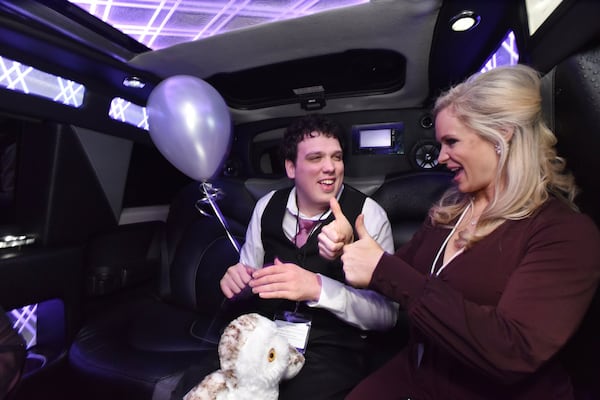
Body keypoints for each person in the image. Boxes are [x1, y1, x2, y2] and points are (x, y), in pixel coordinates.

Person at [329, 65, 600, 399]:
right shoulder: (450, 212)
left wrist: (382, 269)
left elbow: (513, 351)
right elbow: (398, 275)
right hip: (422, 372)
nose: (441, 158)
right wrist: (351, 248)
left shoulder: (564, 234)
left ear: (502, 134)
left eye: (451, 142)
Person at [218, 113, 398, 400]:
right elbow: (249, 277)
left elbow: (387, 315)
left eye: (336, 157)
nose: (330, 168)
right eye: (316, 158)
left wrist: (318, 287)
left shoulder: (369, 216)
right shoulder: (267, 207)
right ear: (291, 167)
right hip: (266, 341)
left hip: (334, 350)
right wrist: (236, 284)